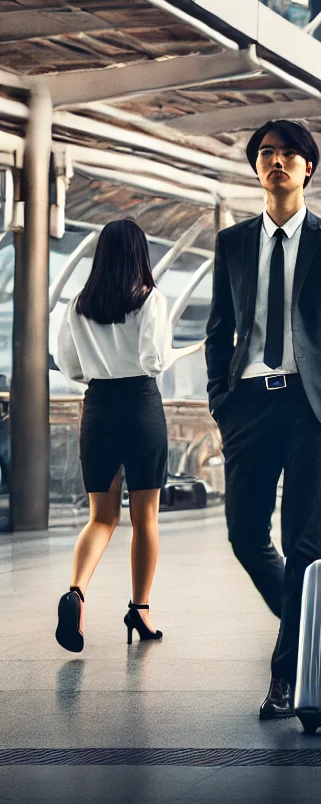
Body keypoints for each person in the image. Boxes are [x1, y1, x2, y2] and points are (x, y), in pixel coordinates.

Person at [204, 120, 321, 720]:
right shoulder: (232, 243)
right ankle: (309, 625)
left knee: (303, 543)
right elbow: (218, 330)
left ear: (308, 167)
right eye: (266, 154)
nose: (277, 162)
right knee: (244, 534)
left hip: (311, 407)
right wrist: (220, 399)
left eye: (289, 154)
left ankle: (284, 677)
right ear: (257, 168)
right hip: (249, 404)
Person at [53, 219, 173, 653]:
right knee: (146, 518)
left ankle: (76, 592)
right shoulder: (150, 300)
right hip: (140, 405)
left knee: (101, 517)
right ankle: (139, 609)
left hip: (98, 407)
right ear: (140, 254)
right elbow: (153, 360)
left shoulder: (78, 305)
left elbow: (70, 367)